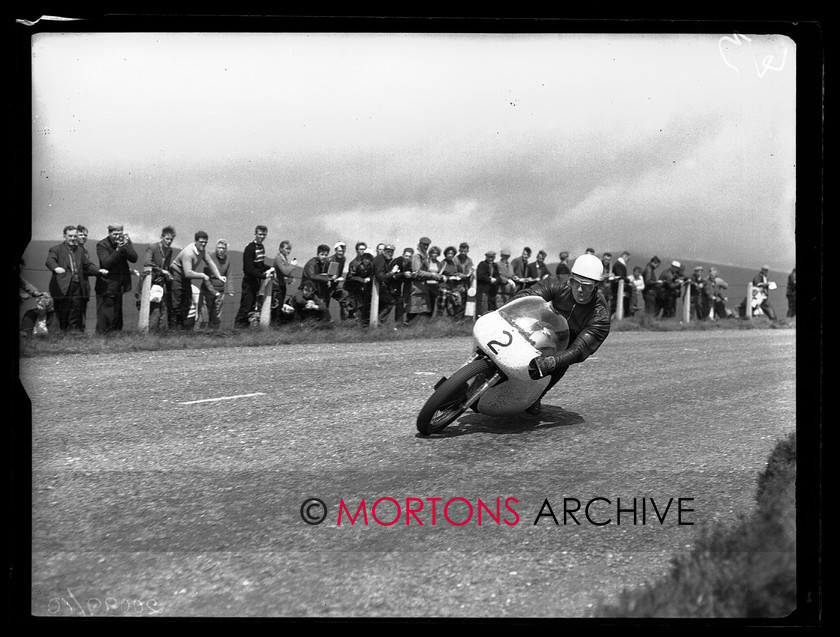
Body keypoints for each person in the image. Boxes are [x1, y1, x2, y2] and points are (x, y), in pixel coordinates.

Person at [510, 253, 611, 415]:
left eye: (586, 286)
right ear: (569, 279)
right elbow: (527, 296)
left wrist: (551, 362)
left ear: (596, 287)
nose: (579, 289)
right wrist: (502, 312)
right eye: (575, 282)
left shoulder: (601, 316)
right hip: (545, 324)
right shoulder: (558, 283)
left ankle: (537, 395)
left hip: (569, 341)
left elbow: (579, 351)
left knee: (560, 362)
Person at [46, 225, 107, 332]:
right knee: (62, 313)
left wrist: (99, 271)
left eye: (75, 236)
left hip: (77, 286)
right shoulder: (56, 249)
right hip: (63, 286)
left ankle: (73, 337)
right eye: (70, 236)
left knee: (75, 312)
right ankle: (60, 337)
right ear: (64, 236)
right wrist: (56, 268)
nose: (73, 238)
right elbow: (50, 260)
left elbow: (87, 265)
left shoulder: (80, 251)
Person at [169, 231, 225, 329]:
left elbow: (210, 262)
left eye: (205, 242)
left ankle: (182, 330)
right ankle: (173, 330)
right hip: (176, 276)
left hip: (185, 278)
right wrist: (203, 275)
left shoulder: (202, 250)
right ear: (195, 241)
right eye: (201, 242)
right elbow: (188, 273)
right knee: (176, 304)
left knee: (186, 302)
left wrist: (219, 276)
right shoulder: (188, 253)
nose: (203, 244)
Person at [94, 224, 139, 334]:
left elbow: (134, 258)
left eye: (120, 234)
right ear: (109, 233)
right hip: (106, 285)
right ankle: (102, 338)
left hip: (120, 284)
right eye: (115, 234)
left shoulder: (125, 241)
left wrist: (125, 247)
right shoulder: (102, 245)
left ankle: (115, 337)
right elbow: (106, 263)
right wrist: (119, 249)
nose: (117, 236)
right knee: (105, 315)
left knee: (117, 314)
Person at [234, 225, 275, 328]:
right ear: (255, 234)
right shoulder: (250, 248)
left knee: (252, 308)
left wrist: (270, 268)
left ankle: (245, 329)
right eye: (260, 234)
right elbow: (248, 269)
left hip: (257, 282)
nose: (262, 237)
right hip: (249, 281)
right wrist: (263, 276)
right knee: (245, 307)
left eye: (264, 235)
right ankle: (238, 328)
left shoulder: (261, 247)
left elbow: (259, 265)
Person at [139, 225, 176, 331]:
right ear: (162, 237)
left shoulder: (170, 251)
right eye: (167, 239)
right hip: (149, 281)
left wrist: (167, 274)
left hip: (160, 283)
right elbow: (147, 262)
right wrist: (161, 270)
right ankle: (150, 333)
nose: (169, 241)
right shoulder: (153, 248)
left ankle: (161, 334)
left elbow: (167, 266)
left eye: (171, 240)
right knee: (155, 309)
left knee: (163, 309)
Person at [198, 239, 234, 329]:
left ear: (226, 249)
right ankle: (203, 333)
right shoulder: (210, 258)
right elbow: (206, 277)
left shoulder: (227, 259)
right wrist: (213, 291)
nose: (221, 250)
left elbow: (229, 274)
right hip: (208, 290)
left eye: (223, 248)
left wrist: (230, 289)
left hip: (220, 291)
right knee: (205, 313)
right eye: (219, 248)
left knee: (216, 314)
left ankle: (214, 333)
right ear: (216, 248)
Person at [408, 236, 442, 322]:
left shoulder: (424, 255)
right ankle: (408, 325)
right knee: (414, 309)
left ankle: (419, 329)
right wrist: (432, 275)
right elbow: (417, 271)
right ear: (419, 244)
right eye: (424, 245)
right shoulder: (417, 255)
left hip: (423, 285)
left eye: (427, 245)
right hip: (417, 285)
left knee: (422, 310)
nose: (426, 247)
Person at [301, 244, 337, 320]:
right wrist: (327, 279)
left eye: (326, 255)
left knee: (325, 298)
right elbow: (312, 276)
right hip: (308, 290)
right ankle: (326, 320)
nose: (324, 257)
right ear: (318, 254)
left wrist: (328, 279)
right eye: (322, 254)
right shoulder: (311, 263)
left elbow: (319, 275)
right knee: (321, 302)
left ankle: (325, 320)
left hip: (316, 288)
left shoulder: (322, 263)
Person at [373, 244, 403, 325]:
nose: (390, 253)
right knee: (391, 301)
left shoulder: (383, 259)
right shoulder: (380, 260)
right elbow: (380, 277)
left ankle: (378, 322)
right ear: (383, 251)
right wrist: (392, 272)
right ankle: (378, 322)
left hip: (379, 288)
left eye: (391, 252)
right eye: (388, 251)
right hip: (375, 288)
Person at [346, 248, 376, 326]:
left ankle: (360, 324)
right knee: (352, 306)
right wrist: (362, 280)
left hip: (362, 288)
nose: (367, 260)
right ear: (363, 257)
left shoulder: (371, 265)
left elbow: (373, 274)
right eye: (366, 257)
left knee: (362, 305)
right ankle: (350, 324)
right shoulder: (355, 264)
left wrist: (369, 278)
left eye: (369, 258)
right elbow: (350, 276)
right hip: (351, 288)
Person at [271, 240, 298, 324]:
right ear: (281, 248)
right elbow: (285, 271)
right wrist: (293, 265)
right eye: (286, 249)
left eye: (290, 249)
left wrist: (290, 278)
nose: (288, 251)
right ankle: (274, 325)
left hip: (281, 285)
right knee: (276, 308)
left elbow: (284, 273)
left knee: (280, 307)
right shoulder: (278, 258)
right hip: (277, 286)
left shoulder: (284, 258)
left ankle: (277, 325)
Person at [391, 247, 415, 325]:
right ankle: (398, 322)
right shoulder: (396, 261)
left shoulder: (411, 263)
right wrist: (403, 274)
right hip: (394, 284)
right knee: (398, 302)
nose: (407, 258)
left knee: (405, 301)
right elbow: (393, 276)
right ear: (403, 255)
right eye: (406, 256)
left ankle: (403, 321)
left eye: (409, 256)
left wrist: (412, 275)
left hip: (405, 284)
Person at [475, 250, 503, 317]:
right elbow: (480, 275)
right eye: (489, 257)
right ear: (486, 257)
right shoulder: (482, 264)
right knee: (482, 305)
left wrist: (496, 280)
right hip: (483, 289)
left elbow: (498, 276)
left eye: (492, 257)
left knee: (491, 305)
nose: (491, 259)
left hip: (492, 290)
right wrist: (490, 279)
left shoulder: (495, 265)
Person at [328, 241, 348, 315]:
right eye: (339, 251)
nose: (341, 253)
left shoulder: (343, 259)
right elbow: (330, 276)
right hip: (328, 284)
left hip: (335, 284)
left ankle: (344, 319)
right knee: (326, 300)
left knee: (344, 295)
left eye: (343, 251)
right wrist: (336, 279)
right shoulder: (332, 260)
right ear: (335, 250)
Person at [610, 251, 631, 317]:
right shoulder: (619, 264)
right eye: (628, 258)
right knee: (615, 305)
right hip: (616, 288)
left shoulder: (619, 264)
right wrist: (628, 280)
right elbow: (620, 275)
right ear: (625, 256)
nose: (628, 261)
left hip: (618, 288)